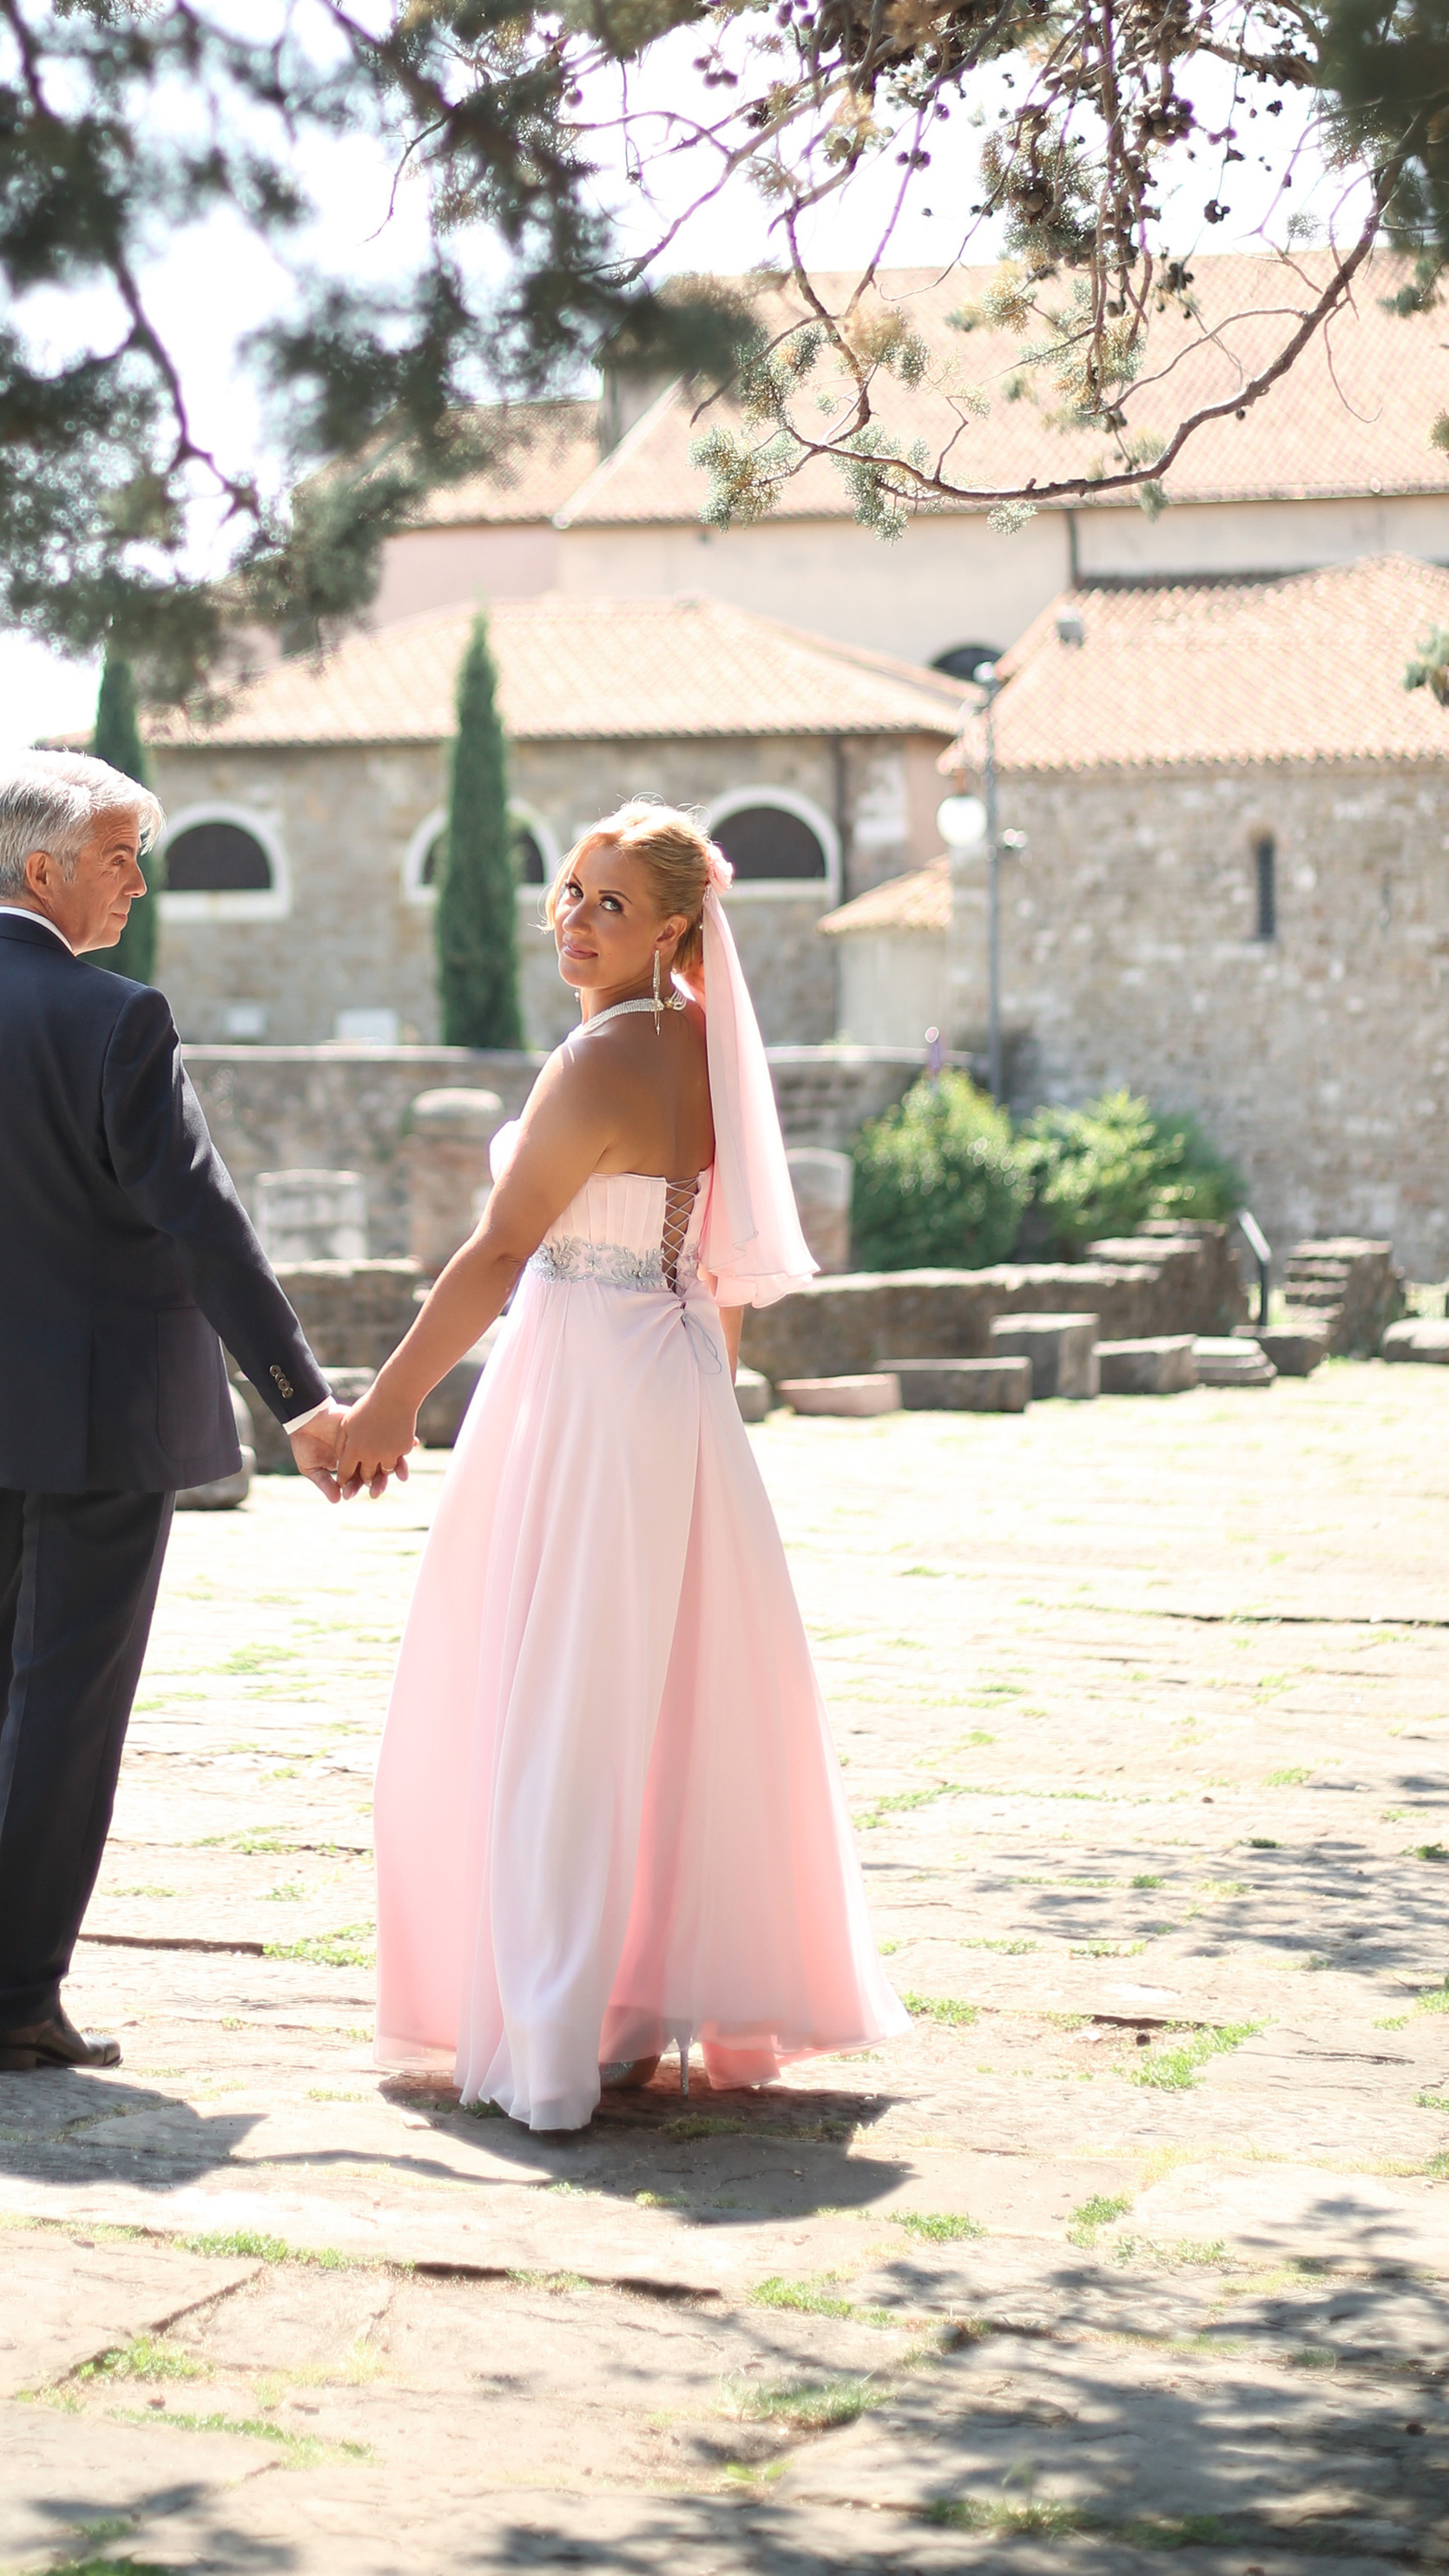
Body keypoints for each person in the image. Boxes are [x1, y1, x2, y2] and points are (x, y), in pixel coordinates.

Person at [337, 800, 909, 2131]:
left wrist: (385, 1410)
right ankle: (633, 2014)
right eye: (572, 895)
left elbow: (493, 1253)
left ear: (673, 927)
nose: (575, 923)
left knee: (560, 1698)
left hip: (585, 1381)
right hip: (670, 1374)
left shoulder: (598, 1062)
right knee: (657, 1690)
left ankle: (558, 2024)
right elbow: (717, 1264)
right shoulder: (709, 1051)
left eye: (609, 904)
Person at [0, 752, 351, 2069]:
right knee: (66, 1699)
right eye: (121, 854)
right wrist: (298, 1397)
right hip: (97, 1416)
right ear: (47, 868)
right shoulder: (114, 1020)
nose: (138, 879)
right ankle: (14, 2000)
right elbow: (205, 1226)